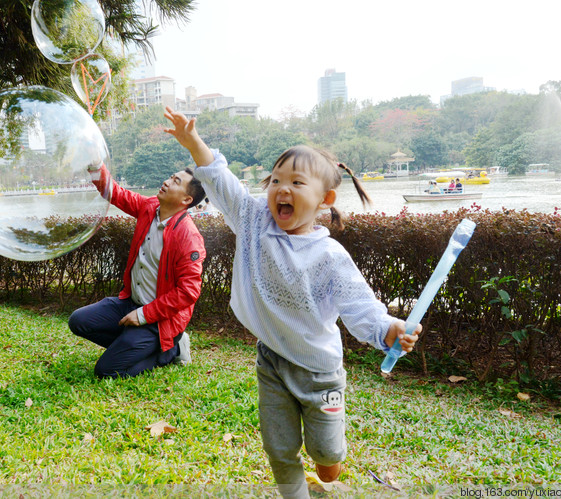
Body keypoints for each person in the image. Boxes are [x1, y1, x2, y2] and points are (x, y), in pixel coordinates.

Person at [163, 107, 421, 498]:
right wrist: (194, 143)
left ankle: (329, 458)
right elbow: (222, 182)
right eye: (276, 180)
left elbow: (362, 309)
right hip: (272, 362)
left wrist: (390, 330)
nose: (282, 189)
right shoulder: (253, 221)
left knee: (328, 461)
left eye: (297, 182)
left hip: (320, 373)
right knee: (279, 449)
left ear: (324, 198)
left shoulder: (330, 256)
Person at [67, 161, 206, 378]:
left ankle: (171, 350)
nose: (167, 182)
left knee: (106, 371)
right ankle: (133, 344)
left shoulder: (189, 237)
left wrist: (143, 315)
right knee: (79, 321)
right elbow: (117, 194)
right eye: (170, 177)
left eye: (175, 182)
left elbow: (188, 292)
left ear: (186, 200)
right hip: (130, 304)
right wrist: (96, 167)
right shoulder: (149, 207)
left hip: (160, 319)